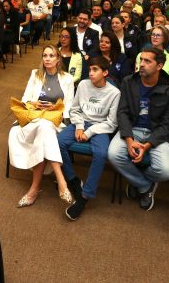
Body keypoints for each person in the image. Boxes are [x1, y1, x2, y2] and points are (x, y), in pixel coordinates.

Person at [108, 47, 169, 211]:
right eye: (141, 60)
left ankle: (137, 180)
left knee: (166, 171)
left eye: (148, 61)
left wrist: (147, 145)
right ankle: (144, 186)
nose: (142, 64)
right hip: (132, 130)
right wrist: (129, 140)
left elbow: (168, 125)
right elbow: (123, 112)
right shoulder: (129, 82)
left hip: (158, 135)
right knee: (113, 154)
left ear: (159, 66)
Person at [8, 45, 75, 208]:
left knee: (46, 129)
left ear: (58, 59)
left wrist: (54, 109)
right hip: (35, 119)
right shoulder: (35, 75)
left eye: (51, 56)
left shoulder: (67, 78)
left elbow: (69, 106)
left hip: (55, 120)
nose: (47, 59)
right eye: (45, 55)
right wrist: (33, 103)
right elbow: (24, 99)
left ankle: (34, 189)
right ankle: (62, 182)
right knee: (44, 129)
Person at [58, 57, 121, 220]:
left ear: (105, 73)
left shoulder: (114, 93)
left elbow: (112, 123)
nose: (90, 73)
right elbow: (75, 109)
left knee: (101, 154)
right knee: (58, 142)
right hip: (81, 123)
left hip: (100, 128)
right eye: (90, 69)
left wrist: (90, 131)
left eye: (95, 70)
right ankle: (72, 179)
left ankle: (84, 196)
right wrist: (79, 126)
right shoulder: (84, 85)